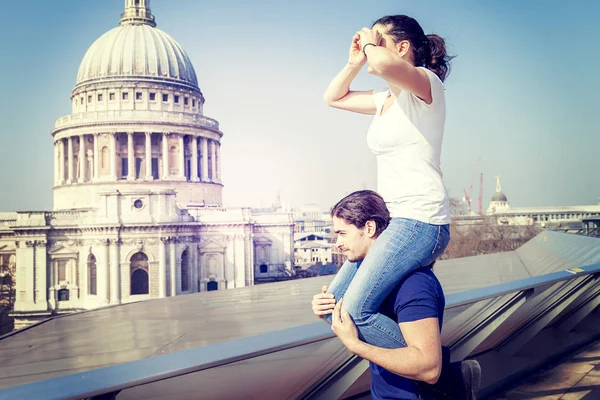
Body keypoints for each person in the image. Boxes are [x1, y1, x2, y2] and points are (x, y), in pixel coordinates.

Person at [321, 14, 453, 350]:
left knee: (354, 311)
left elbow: (380, 65)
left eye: (379, 42)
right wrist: (354, 62)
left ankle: (436, 370)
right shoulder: (384, 100)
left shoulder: (426, 86)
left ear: (403, 48)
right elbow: (333, 97)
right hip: (392, 222)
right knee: (332, 307)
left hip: (422, 221)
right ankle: (417, 361)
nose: (370, 49)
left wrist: (369, 44)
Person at [312, 190, 481, 399]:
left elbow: (429, 369)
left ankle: (457, 380)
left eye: (342, 233)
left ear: (369, 228)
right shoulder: (365, 284)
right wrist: (326, 309)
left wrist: (355, 345)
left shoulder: (414, 284)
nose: (337, 243)